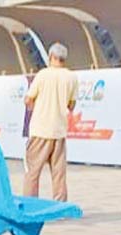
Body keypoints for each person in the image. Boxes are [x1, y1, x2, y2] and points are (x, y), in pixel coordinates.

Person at [24, 43, 79, 202]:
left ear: (50, 57)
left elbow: (29, 98)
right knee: (59, 173)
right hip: (59, 130)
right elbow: (71, 105)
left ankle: (30, 203)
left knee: (32, 172)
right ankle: (60, 205)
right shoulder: (71, 77)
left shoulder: (42, 75)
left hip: (40, 129)